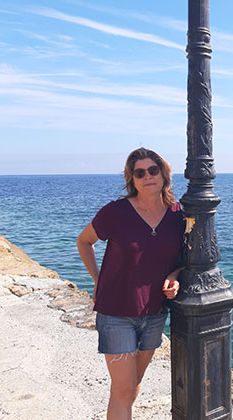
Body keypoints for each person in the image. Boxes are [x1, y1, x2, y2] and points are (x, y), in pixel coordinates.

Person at [77, 147, 184, 420]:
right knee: (124, 389)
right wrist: (98, 280)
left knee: (132, 387)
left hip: (155, 313)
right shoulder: (116, 212)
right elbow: (84, 241)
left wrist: (175, 277)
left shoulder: (178, 215)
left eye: (153, 170)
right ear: (132, 179)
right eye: (140, 173)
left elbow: (186, 258)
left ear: (163, 174)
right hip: (116, 313)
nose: (148, 176)